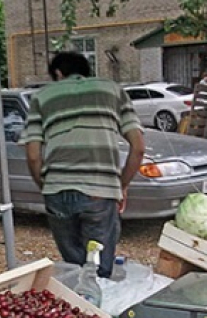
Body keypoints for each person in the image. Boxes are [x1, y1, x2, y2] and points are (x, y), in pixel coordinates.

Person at [21, 52, 145, 278]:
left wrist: (46, 185)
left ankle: (80, 307)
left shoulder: (42, 96)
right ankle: (97, 307)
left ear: (58, 73)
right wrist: (121, 185)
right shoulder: (112, 90)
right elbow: (138, 148)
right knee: (99, 270)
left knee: (75, 270)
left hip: (56, 190)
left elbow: (32, 155)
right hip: (100, 190)